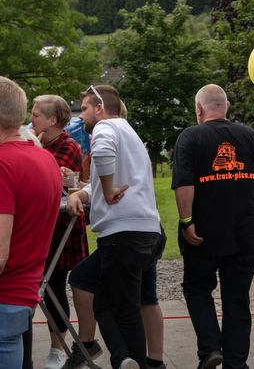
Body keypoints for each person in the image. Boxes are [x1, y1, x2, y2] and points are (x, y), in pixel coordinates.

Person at [172, 84, 254, 369]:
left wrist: (186, 221)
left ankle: (209, 348)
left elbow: (183, 185)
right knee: (237, 300)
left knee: (196, 288)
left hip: (203, 235)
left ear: (199, 108)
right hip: (243, 233)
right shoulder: (252, 137)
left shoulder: (190, 137)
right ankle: (236, 365)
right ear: (226, 106)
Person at [61, 100, 167, 369]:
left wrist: (106, 192)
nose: (81, 114)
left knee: (127, 306)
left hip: (125, 235)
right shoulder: (128, 132)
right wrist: (86, 193)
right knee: (103, 295)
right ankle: (124, 359)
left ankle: (136, 362)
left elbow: (104, 155)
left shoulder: (106, 126)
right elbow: (99, 182)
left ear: (99, 108)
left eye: (84, 108)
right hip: (145, 232)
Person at [0, 77, 61, 367]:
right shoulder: (46, 159)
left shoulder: (3, 163)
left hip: (5, 293)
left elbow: (0, 252)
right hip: (26, 292)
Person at [27, 95, 90, 369]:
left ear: (52, 121)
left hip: (59, 230)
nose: (30, 119)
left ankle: (57, 349)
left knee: (53, 286)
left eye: (36, 114)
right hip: (34, 227)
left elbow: (39, 174)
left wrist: (32, 146)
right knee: (28, 287)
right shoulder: (38, 143)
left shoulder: (69, 146)